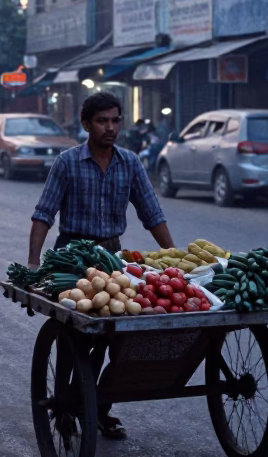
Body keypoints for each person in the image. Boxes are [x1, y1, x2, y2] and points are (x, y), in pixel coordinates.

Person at [29, 92, 175, 439]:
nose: (110, 128)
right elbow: (44, 214)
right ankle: (66, 403)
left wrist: (173, 258)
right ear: (85, 124)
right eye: (101, 121)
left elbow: (151, 214)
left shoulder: (131, 163)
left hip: (112, 258)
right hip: (72, 255)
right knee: (73, 332)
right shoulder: (67, 163)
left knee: (119, 332)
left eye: (115, 120)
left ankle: (97, 405)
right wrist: (34, 262)